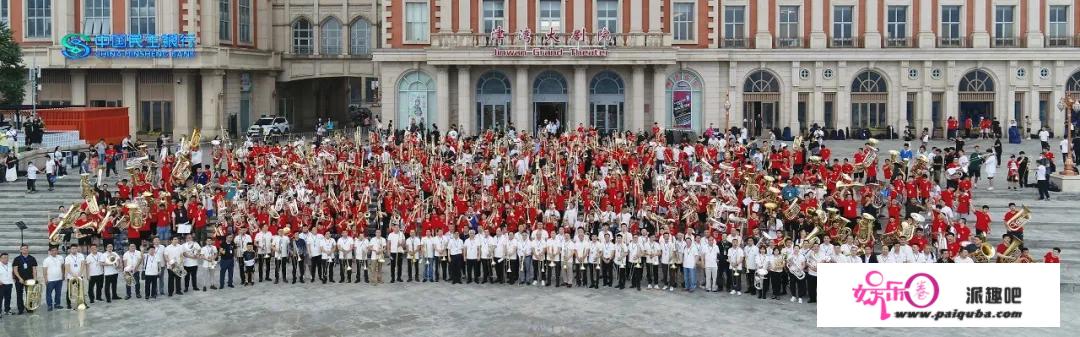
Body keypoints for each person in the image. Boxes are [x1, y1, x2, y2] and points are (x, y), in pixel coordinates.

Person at [12, 245, 36, 314]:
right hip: (19, 280)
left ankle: (29, 308)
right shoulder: (17, 259)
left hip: (29, 279)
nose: (25, 250)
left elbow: (34, 270)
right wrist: (20, 278)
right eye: (23, 249)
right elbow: (15, 270)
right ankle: (20, 309)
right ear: (20, 250)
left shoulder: (32, 258)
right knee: (19, 294)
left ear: (28, 249)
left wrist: (34, 279)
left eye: (26, 248)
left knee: (29, 294)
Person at [42, 246, 64, 311]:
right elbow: (44, 270)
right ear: (50, 251)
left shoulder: (61, 258)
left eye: (55, 250)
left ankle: (57, 304)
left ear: (57, 251)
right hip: (50, 280)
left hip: (59, 279)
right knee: (49, 293)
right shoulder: (46, 260)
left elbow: (62, 267)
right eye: (53, 250)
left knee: (58, 293)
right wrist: (45, 279)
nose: (54, 252)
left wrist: (63, 275)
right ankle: (49, 305)